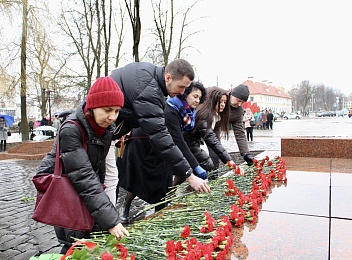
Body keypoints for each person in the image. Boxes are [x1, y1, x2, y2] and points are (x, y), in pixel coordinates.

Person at [35, 76, 129, 254]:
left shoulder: (105, 129)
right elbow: (84, 176)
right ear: (92, 107)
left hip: (85, 194)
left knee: (89, 244)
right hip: (67, 193)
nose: (112, 117)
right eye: (107, 110)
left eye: (117, 111)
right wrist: (110, 219)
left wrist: (103, 210)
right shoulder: (71, 129)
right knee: (74, 245)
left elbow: (99, 172)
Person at [110, 59, 211, 217]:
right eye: (182, 87)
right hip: (122, 138)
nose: (183, 92)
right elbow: (161, 135)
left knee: (114, 181)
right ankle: (109, 223)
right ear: (169, 77)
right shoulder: (150, 91)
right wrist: (189, 175)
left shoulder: (151, 78)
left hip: (147, 143)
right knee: (112, 181)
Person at [183, 86, 236, 178]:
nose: (223, 104)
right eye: (220, 102)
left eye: (225, 102)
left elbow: (214, 140)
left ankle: (193, 187)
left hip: (191, 143)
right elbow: (210, 137)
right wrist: (228, 160)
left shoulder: (215, 116)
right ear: (213, 101)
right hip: (187, 143)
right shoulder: (205, 114)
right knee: (207, 164)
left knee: (193, 167)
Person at [229, 84, 255, 166]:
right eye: (238, 100)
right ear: (232, 95)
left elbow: (240, 133)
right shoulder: (221, 99)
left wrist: (246, 154)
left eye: (242, 102)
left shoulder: (238, 111)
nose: (240, 104)